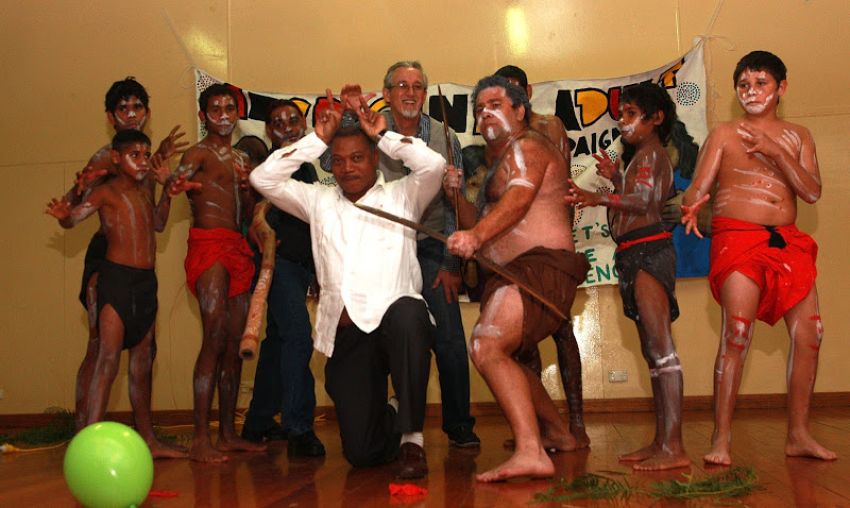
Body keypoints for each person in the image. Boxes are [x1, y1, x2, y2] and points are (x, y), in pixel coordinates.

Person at [250, 89, 445, 479]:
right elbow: (262, 177)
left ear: (374, 159)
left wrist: (384, 133)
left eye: (357, 158)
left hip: (396, 326)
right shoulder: (317, 201)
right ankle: (390, 412)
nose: (347, 168)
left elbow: (435, 166)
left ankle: (412, 438)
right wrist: (316, 139)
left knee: (409, 313)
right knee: (362, 453)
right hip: (349, 333)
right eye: (337, 161)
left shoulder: (403, 195)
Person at [681, 50, 835, 465]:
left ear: (781, 88)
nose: (751, 92)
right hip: (738, 240)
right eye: (744, 85)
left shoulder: (798, 135)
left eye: (761, 83)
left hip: (786, 242)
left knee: (811, 334)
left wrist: (775, 150)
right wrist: (693, 204)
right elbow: (697, 187)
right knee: (737, 333)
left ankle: (799, 434)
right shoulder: (724, 133)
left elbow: (812, 192)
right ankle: (721, 438)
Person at [444, 76, 589, 482]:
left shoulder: (528, 147)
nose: (485, 112)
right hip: (514, 272)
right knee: (502, 352)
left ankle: (531, 451)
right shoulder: (501, 162)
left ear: (520, 110)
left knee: (486, 344)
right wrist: (454, 197)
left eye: (495, 103)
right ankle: (559, 433)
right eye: (479, 108)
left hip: (541, 267)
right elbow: (488, 220)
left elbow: (520, 201)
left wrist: (475, 237)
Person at [565, 82, 688, 470]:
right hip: (633, 252)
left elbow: (648, 202)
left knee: (662, 349)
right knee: (652, 353)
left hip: (650, 252)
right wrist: (616, 179)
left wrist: (598, 196)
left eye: (632, 114)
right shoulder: (640, 157)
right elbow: (636, 199)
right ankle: (661, 441)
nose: (624, 122)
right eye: (623, 114)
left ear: (655, 118)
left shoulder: (652, 155)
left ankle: (675, 447)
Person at [52, 77, 186, 432]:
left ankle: (145, 436)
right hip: (106, 258)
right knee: (101, 347)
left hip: (142, 267)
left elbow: (151, 214)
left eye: (137, 107)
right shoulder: (105, 157)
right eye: (123, 108)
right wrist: (71, 204)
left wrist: (160, 167)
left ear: (147, 112)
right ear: (111, 117)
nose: (131, 114)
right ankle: (84, 432)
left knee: (144, 352)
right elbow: (75, 202)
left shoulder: (141, 155)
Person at [358, 61, 479, 447]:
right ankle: (393, 424)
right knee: (388, 336)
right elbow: (332, 165)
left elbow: (455, 208)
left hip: (430, 248)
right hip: (382, 247)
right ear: (387, 93)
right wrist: (348, 120)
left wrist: (451, 263)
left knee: (449, 339)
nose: (410, 93)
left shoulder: (447, 137)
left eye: (417, 87)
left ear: (424, 94)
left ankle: (459, 425)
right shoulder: (367, 130)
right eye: (401, 86)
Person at [494, 64, 588, 447]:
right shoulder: (498, 137)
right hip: (518, 247)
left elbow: (563, 186)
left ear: (528, 91)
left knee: (563, 330)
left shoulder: (550, 127)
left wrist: (561, 237)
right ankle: (535, 427)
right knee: (522, 340)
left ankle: (577, 422)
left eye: (517, 90)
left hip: (552, 248)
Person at [173, 83, 264, 463]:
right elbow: (173, 184)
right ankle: (199, 437)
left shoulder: (244, 160)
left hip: (238, 247)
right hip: (208, 245)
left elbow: (248, 215)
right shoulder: (196, 153)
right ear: (203, 115)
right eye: (216, 108)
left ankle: (226, 433)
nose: (224, 114)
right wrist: (173, 182)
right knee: (213, 334)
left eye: (230, 107)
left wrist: (250, 192)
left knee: (233, 343)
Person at [241, 100, 326, 458]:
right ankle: (298, 427)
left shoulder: (307, 168)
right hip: (276, 268)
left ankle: (258, 420)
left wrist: (319, 269)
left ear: (304, 124)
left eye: (293, 120)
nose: (287, 126)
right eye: (277, 123)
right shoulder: (271, 168)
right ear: (268, 132)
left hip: (299, 265)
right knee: (297, 339)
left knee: (278, 341)